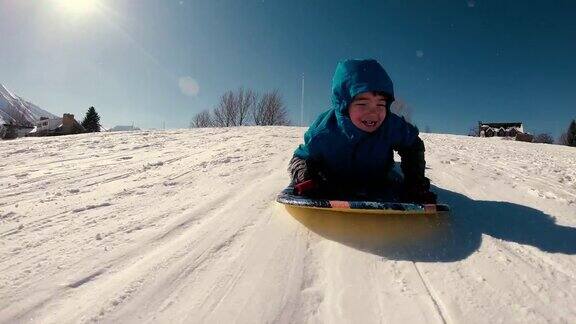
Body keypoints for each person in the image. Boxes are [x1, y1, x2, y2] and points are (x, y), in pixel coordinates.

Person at [288, 59, 437, 204]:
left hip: (378, 178)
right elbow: (300, 157)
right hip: (333, 178)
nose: (373, 113)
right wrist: (306, 178)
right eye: (363, 104)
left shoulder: (389, 125)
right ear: (344, 105)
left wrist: (415, 182)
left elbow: (412, 145)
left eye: (380, 104)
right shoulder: (324, 132)